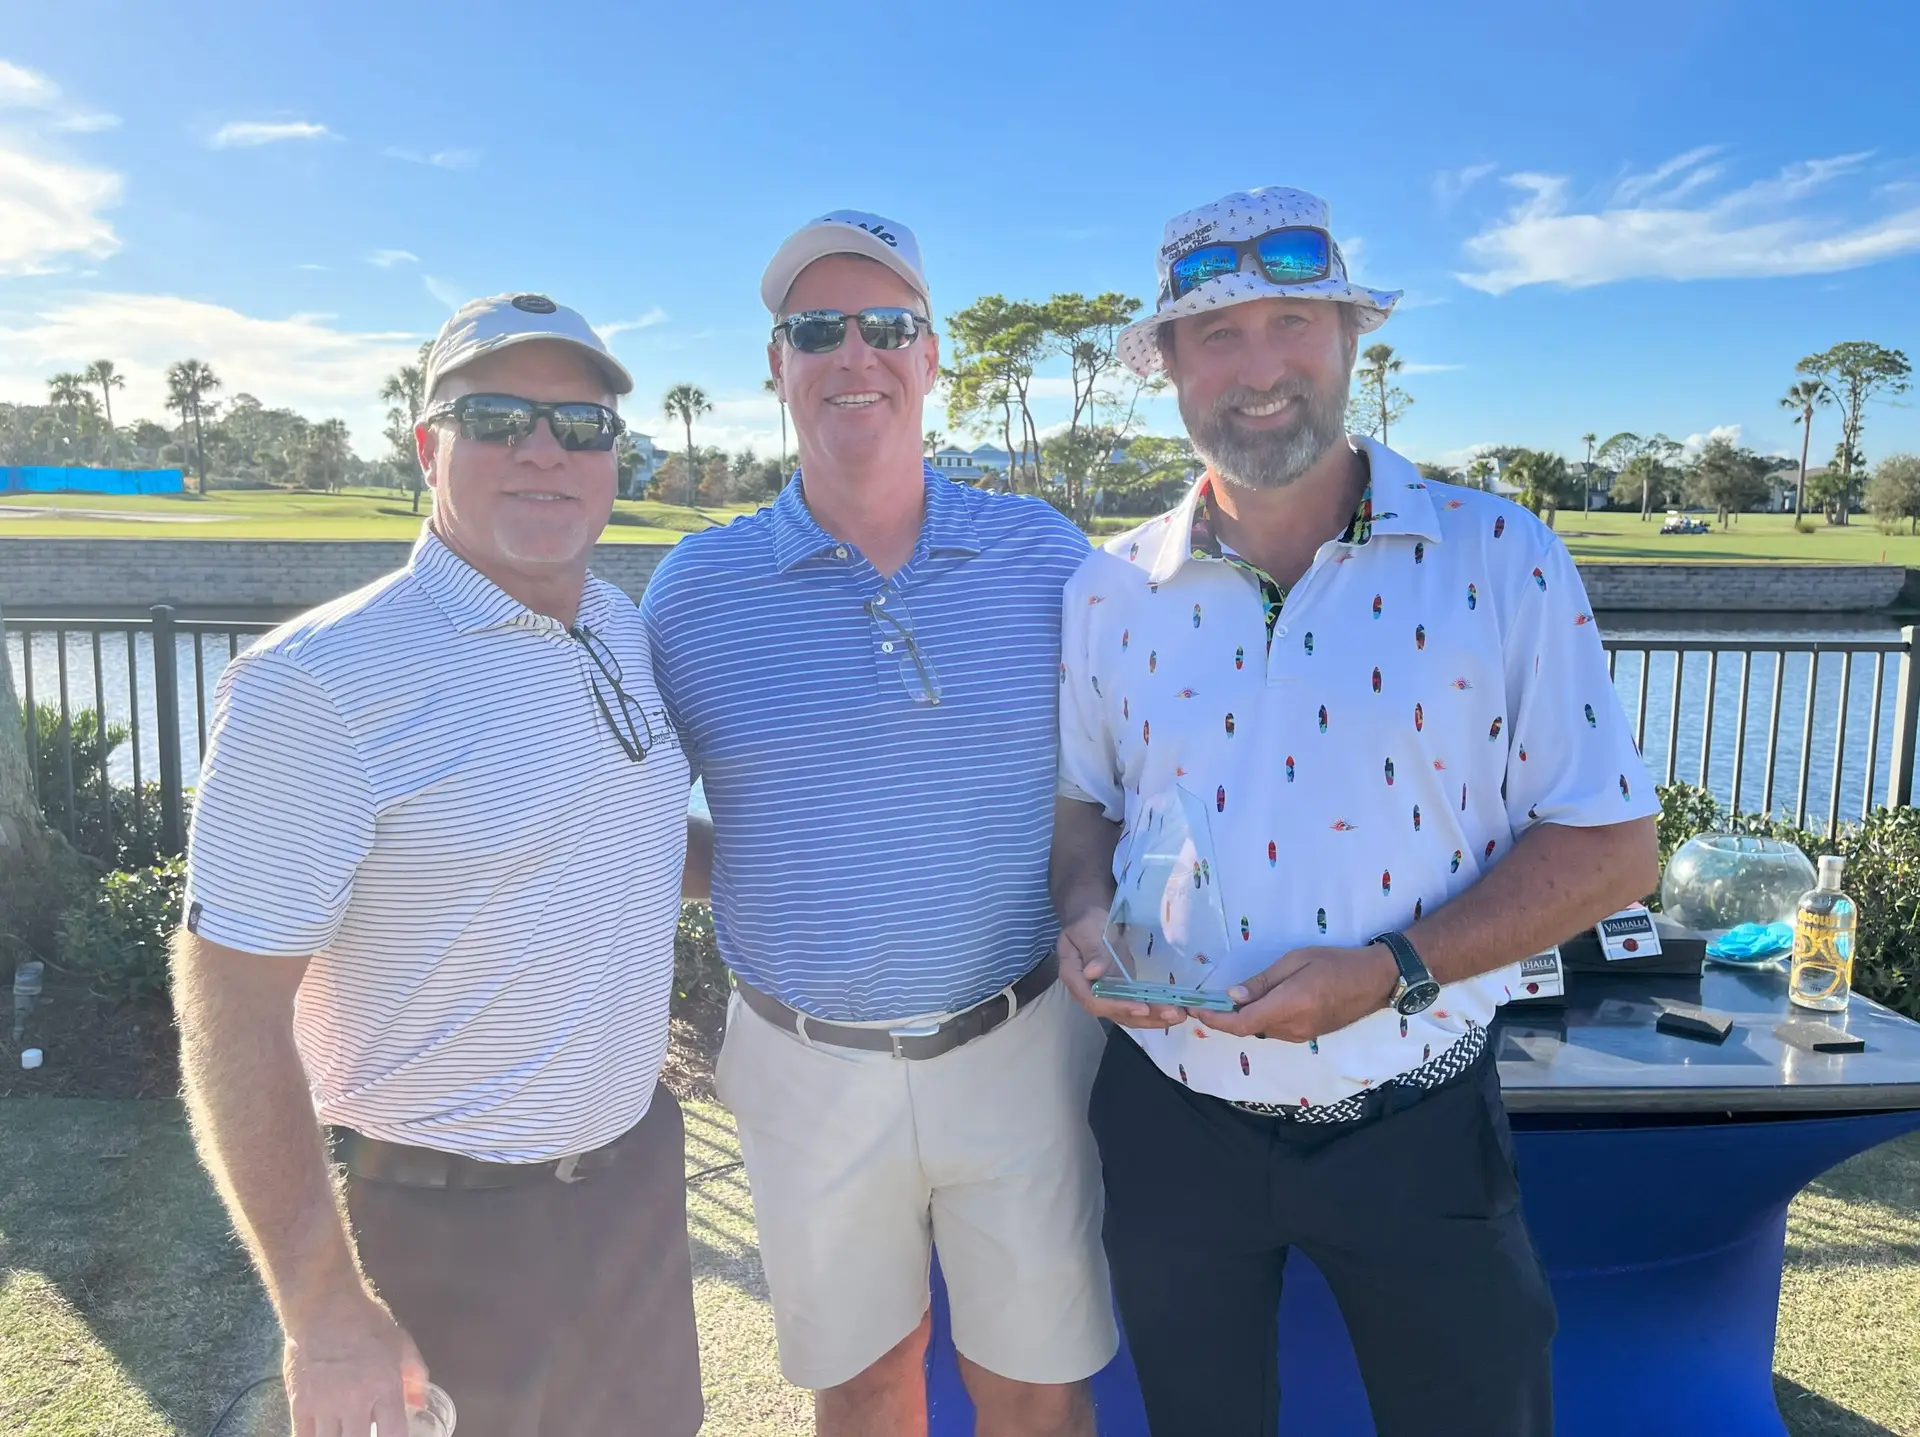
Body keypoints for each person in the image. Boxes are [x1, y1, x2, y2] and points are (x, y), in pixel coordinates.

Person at [1050, 187, 1661, 1437]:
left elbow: (1612, 847)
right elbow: (1084, 811)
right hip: (1173, 1120)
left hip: (1418, 1119)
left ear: (1349, 341)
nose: (1259, 367)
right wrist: (1083, 917)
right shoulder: (1107, 588)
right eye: (1217, 334)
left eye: (1293, 323)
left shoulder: (1501, 557)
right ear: (1170, 368)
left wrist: (1389, 971)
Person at [173, 293, 705, 1437]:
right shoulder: (315, 683)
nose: (544, 450)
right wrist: (324, 1313)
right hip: (434, 1226)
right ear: (427, 448)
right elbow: (229, 1006)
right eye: (498, 418)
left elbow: (624, 835)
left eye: (581, 425)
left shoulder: (617, 627)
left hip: (632, 1191)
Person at [643, 211, 1115, 1437]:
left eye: (887, 326)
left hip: (1022, 1044)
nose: (854, 354)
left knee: (1037, 1389)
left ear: (930, 356)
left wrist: (1091, 904)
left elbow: (1106, 784)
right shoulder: (694, 592)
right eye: (816, 330)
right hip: (802, 1061)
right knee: (860, 1388)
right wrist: (774, 866)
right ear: (777, 367)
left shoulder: (1045, 557)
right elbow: (632, 820)